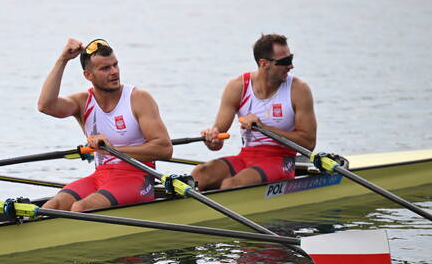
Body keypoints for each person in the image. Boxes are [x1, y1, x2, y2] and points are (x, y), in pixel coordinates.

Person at [36, 38, 173, 211]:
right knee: (51, 207)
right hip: (101, 175)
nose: (114, 72)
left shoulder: (138, 99)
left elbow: (165, 149)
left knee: (80, 208)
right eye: (105, 68)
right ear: (88, 75)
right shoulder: (83, 102)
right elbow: (45, 106)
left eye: (115, 65)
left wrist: (113, 149)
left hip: (137, 177)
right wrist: (62, 60)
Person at [192, 34, 317, 190]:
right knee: (199, 175)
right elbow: (217, 142)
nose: (291, 66)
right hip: (246, 157)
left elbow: (309, 143)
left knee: (231, 185)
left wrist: (263, 128)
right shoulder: (237, 87)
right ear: (264, 64)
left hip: (281, 161)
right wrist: (212, 138)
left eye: (290, 59)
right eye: (285, 62)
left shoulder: (298, 90)